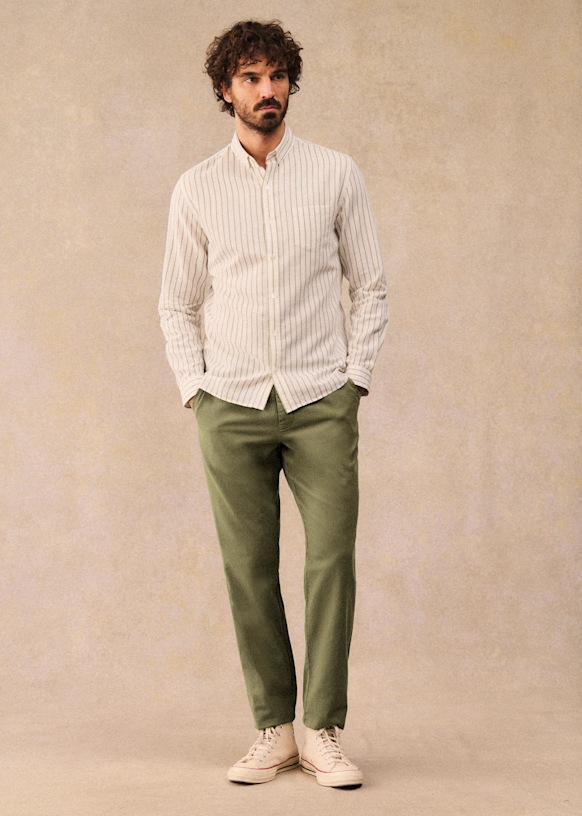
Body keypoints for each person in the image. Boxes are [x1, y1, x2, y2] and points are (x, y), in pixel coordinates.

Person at [159, 20, 388, 789]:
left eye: (277, 76)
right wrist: (195, 388)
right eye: (251, 78)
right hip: (229, 402)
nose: (267, 91)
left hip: (321, 396)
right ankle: (274, 728)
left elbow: (370, 285)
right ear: (226, 90)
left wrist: (354, 379)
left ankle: (321, 729)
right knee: (248, 568)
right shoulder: (197, 188)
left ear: (290, 83)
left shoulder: (335, 173)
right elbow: (177, 302)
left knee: (332, 561)